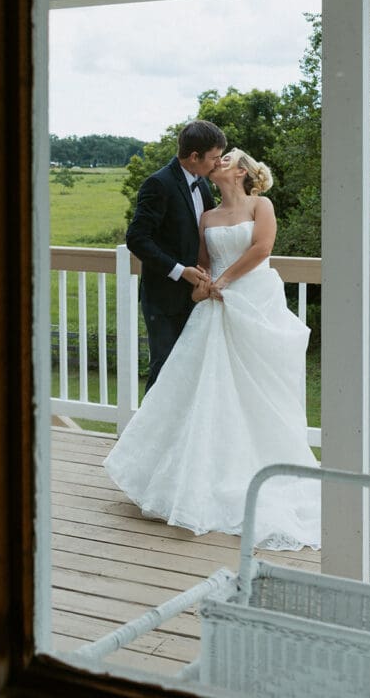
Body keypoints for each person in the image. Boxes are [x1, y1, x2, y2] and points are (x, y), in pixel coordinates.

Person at [104, 147, 320, 551]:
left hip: (253, 299)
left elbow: (261, 250)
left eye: (226, 160)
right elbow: (204, 260)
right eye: (215, 158)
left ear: (241, 172)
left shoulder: (262, 205)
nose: (218, 163)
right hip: (214, 307)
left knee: (258, 388)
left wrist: (224, 282)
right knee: (201, 388)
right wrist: (204, 286)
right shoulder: (207, 215)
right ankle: (198, 475)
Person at [126, 119, 227, 391]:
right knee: (165, 369)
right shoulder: (158, 184)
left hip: (197, 296)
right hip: (163, 299)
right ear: (194, 156)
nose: (218, 164)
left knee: (191, 372)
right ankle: (147, 435)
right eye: (214, 158)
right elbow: (136, 238)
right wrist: (180, 270)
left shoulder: (202, 185)